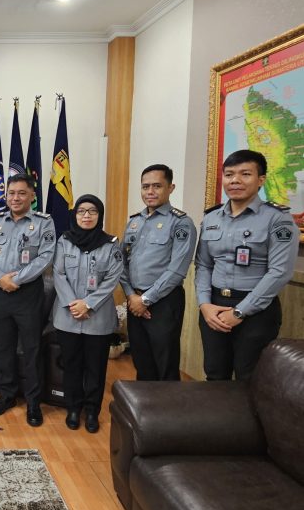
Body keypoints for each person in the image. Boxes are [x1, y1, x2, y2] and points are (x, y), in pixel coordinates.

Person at [196, 149, 298, 381]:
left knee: (250, 378)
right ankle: (217, 419)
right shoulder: (211, 218)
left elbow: (280, 272)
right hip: (214, 306)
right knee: (214, 373)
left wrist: (240, 311)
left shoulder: (277, 218)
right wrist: (204, 304)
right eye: (229, 174)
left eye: (245, 174)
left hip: (256, 311)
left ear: (261, 180)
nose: (235, 181)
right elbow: (203, 265)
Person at [0, 173, 56, 427]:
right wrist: (0, 279)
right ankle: (7, 395)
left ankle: (34, 402)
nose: (15, 198)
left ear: (32, 196)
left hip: (29, 295)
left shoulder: (44, 222)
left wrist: (18, 279)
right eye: (11, 193)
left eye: (21, 193)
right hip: (0, 294)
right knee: (3, 347)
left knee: (32, 349)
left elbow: (45, 256)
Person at [119, 164, 197, 381]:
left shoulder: (181, 223)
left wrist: (145, 299)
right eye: (145, 187)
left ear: (170, 188)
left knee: (165, 362)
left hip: (163, 302)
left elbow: (177, 270)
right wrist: (131, 296)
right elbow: (121, 262)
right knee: (141, 359)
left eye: (157, 186)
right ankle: (145, 411)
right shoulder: (134, 222)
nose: (150, 192)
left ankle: (168, 412)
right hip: (134, 300)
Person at [54, 195, 123, 433]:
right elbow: (58, 274)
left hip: (98, 318)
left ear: (99, 215)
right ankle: (73, 408)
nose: (86, 215)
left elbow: (112, 279)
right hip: (68, 316)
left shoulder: (111, 244)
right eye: (82, 211)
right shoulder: (65, 240)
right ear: (75, 215)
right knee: (71, 365)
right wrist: (74, 304)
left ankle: (92, 410)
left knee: (96, 367)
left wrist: (88, 304)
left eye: (92, 211)